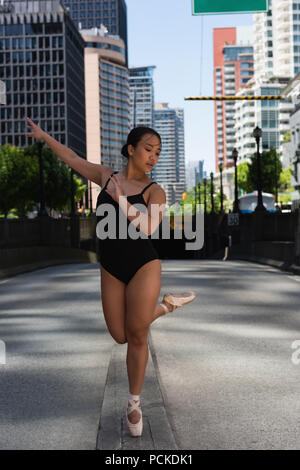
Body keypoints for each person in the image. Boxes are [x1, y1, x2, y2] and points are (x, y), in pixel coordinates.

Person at [25, 118, 196, 438]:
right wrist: (45, 136)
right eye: (148, 149)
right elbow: (73, 159)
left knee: (136, 334)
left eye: (158, 153)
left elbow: (148, 228)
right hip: (111, 266)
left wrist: (118, 199)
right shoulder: (107, 176)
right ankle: (166, 306)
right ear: (131, 150)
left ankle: (134, 403)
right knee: (119, 334)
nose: (153, 157)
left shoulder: (155, 191)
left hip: (144, 264)